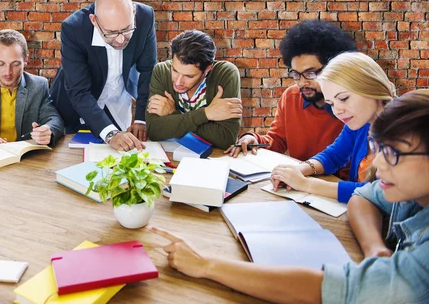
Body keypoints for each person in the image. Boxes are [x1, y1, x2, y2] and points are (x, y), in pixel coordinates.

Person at [151, 89, 429, 304]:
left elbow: (332, 290)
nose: (378, 164)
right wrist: (375, 249)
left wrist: (205, 264)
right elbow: (364, 196)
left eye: (393, 154)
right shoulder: (406, 187)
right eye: (377, 148)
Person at [270, 52, 396, 203]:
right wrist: (300, 169)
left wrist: (306, 184)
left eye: (343, 99)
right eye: (331, 104)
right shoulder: (362, 121)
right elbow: (334, 155)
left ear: (371, 87)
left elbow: (379, 193)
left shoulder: (405, 131)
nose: (337, 111)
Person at [226, 20, 356, 161]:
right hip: (301, 178)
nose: (301, 82)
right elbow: (278, 140)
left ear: (333, 67)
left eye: (310, 73)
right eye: (296, 74)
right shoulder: (291, 97)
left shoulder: (351, 105)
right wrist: (252, 138)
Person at [50, 0, 157, 152]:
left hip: (117, 99)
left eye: (127, 29)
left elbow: (147, 71)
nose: (121, 40)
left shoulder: (146, 17)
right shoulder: (73, 28)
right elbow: (78, 91)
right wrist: (110, 134)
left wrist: (142, 119)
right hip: (78, 103)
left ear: (133, 12)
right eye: (111, 33)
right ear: (94, 20)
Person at [0, 29, 64, 147]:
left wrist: (48, 130)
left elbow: (54, 119)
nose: (8, 72)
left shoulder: (39, 85)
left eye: (15, 64)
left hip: (26, 159)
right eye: (1, 64)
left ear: (25, 60)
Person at [145, 30, 242, 149]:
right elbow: (154, 131)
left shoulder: (225, 74)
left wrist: (173, 114)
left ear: (207, 69)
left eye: (189, 76)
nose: (178, 82)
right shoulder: (161, 72)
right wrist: (206, 114)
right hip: (171, 155)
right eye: (175, 70)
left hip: (213, 159)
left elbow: (225, 138)